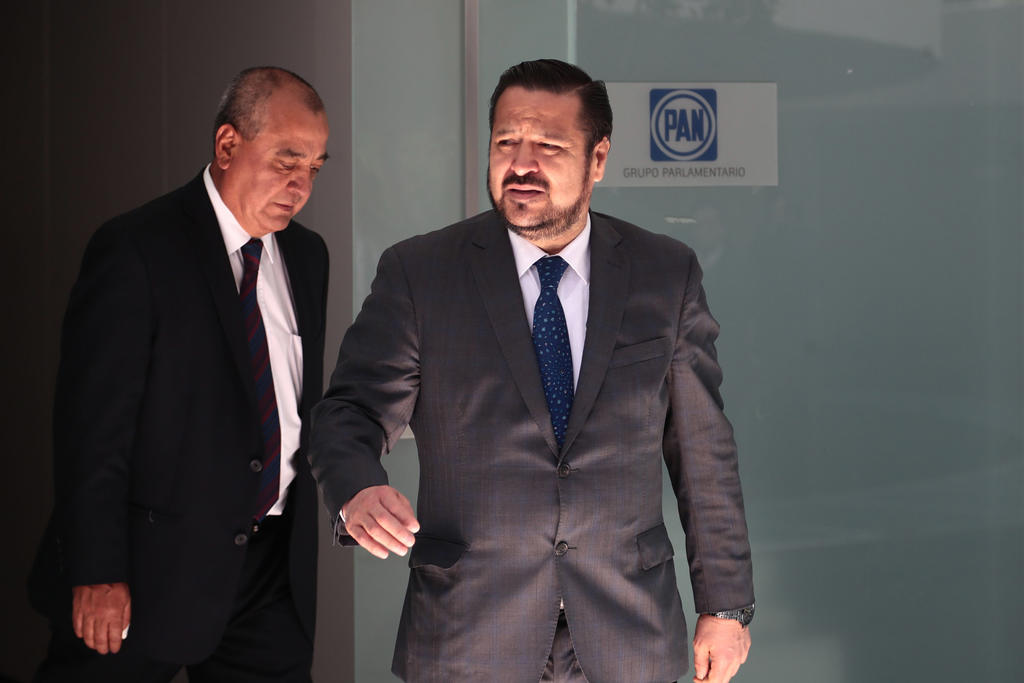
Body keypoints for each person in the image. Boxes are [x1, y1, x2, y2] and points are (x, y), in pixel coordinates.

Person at [311, 59, 753, 683]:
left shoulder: (664, 274)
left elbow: (703, 452)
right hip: (469, 633)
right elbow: (350, 412)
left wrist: (725, 605)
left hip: (626, 630)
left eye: (548, 146)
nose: (521, 164)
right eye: (506, 142)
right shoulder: (421, 274)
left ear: (598, 159)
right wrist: (357, 486)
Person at [28, 66, 331, 683]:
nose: (300, 185)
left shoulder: (308, 255)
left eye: (315, 168)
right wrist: (97, 569)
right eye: (286, 160)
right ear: (227, 145)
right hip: (145, 571)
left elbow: (296, 407)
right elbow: (92, 430)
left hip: (270, 576)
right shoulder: (137, 248)